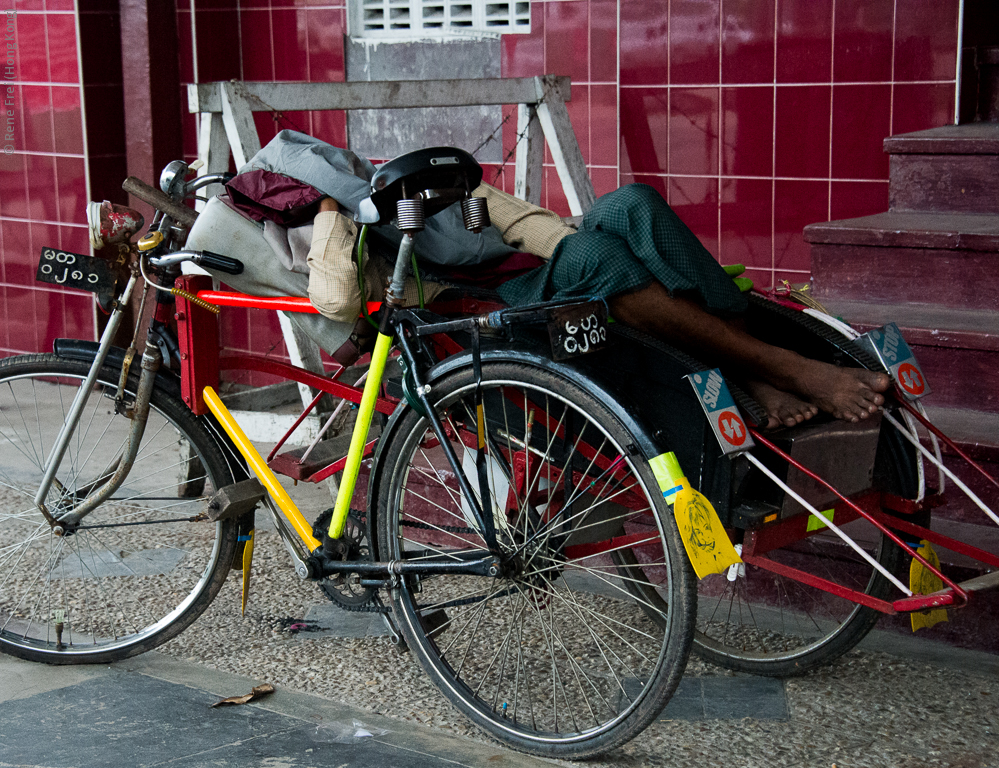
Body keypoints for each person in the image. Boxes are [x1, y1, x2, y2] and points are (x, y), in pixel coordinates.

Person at [191, 130, 888, 430]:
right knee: (590, 265)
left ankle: (749, 370)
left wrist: (586, 243)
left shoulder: (414, 191)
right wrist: (334, 205)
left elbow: (530, 226)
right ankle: (777, 367)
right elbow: (337, 301)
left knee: (630, 207)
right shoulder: (323, 223)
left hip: (515, 279)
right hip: (460, 314)